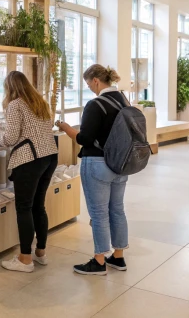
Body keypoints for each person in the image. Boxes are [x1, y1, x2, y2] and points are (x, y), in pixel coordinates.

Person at [57, 64, 129, 276]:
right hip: (121, 163)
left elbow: (84, 138)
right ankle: (118, 257)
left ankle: (99, 261)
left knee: (98, 214)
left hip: (97, 163)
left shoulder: (95, 104)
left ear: (96, 80)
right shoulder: (124, 100)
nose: (89, 88)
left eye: (89, 84)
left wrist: (65, 128)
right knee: (117, 209)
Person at [0, 71, 59, 273]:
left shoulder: (15, 104)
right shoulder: (39, 102)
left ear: (9, 87)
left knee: (24, 207)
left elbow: (11, 137)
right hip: (49, 155)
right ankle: (40, 253)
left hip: (29, 158)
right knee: (38, 205)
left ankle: (25, 258)